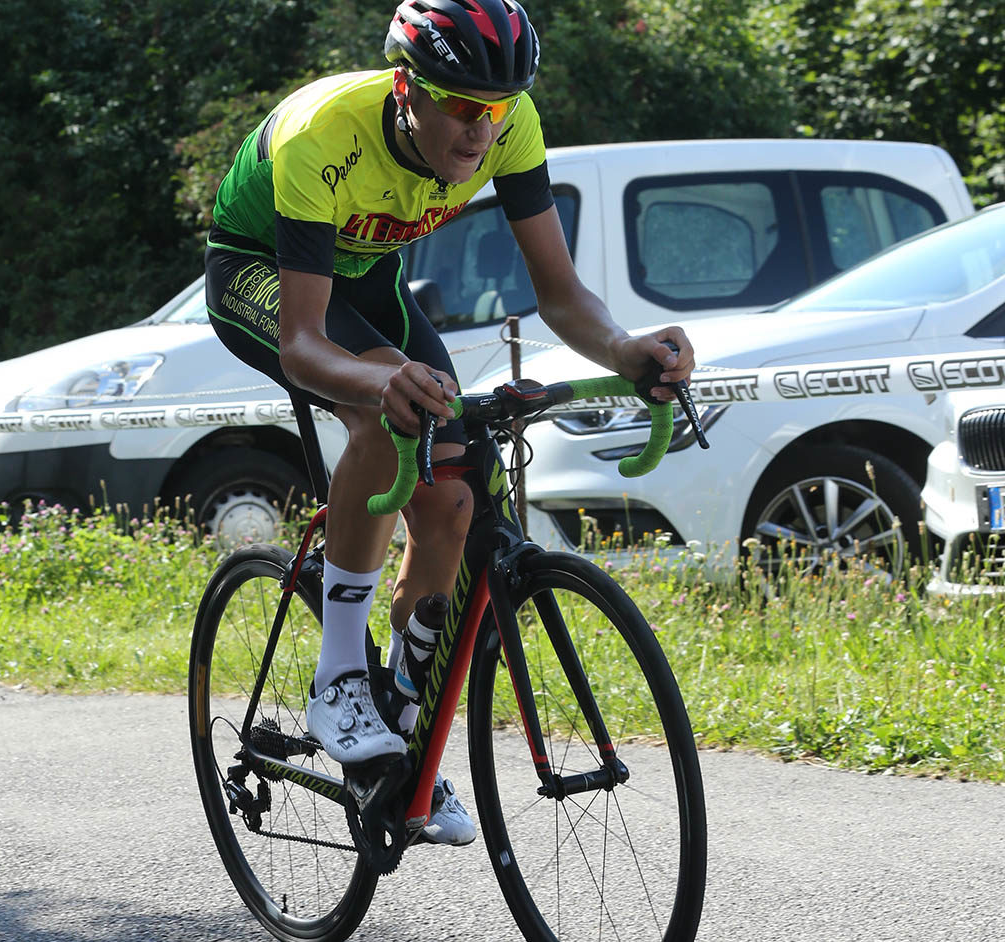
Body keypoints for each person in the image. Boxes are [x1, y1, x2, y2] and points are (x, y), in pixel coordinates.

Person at [203, 0, 695, 846]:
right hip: (261, 275)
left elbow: (561, 292)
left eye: (495, 109)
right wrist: (381, 379)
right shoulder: (326, 132)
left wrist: (625, 348)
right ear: (407, 89)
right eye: (462, 107)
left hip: (364, 275)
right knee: (379, 410)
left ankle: (402, 725)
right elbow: (304, 343)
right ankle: (340, 680)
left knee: (456, 495)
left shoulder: (510, 123)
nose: (480, 131)